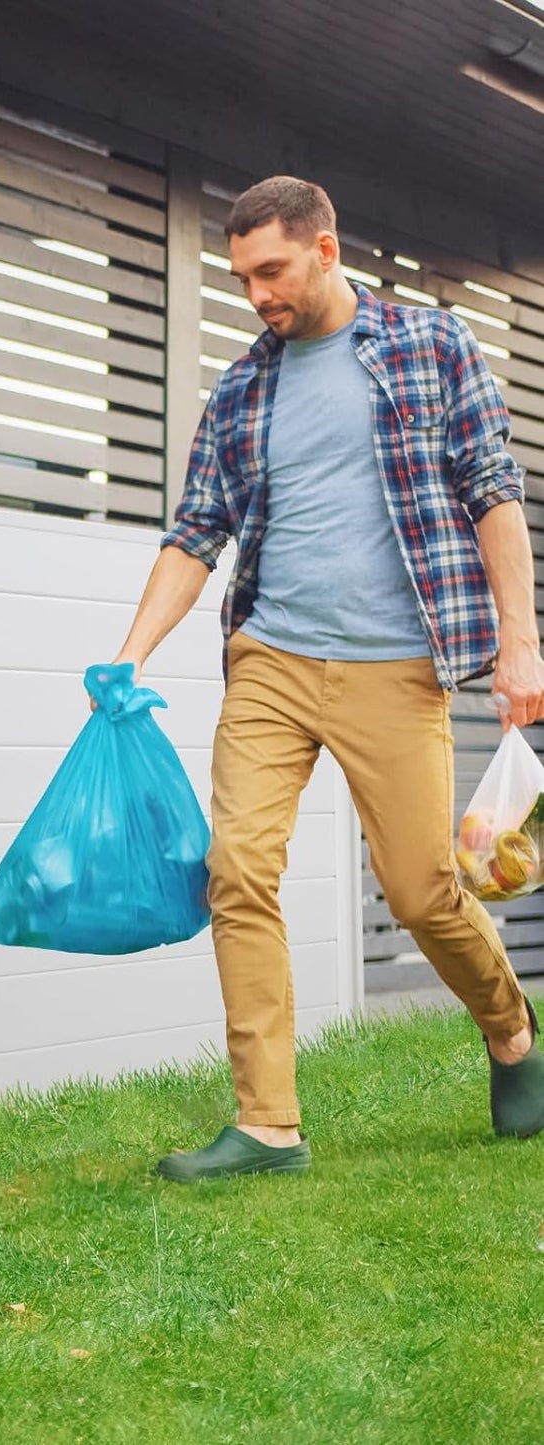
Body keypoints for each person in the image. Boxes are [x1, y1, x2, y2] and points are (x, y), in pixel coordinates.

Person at [113, 176, 544, 1181]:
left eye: (270, 270)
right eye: (241, 277)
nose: (256, 293)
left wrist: (519, 644)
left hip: (395, 665)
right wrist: (127, 649)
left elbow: (491, 492)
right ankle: (266, 1124)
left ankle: (511, 1028)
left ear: (323, 249)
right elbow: (195, 531)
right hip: (269, 658)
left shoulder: (430, 347)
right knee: (236, 871)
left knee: (421, 889)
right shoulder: (241, 387)